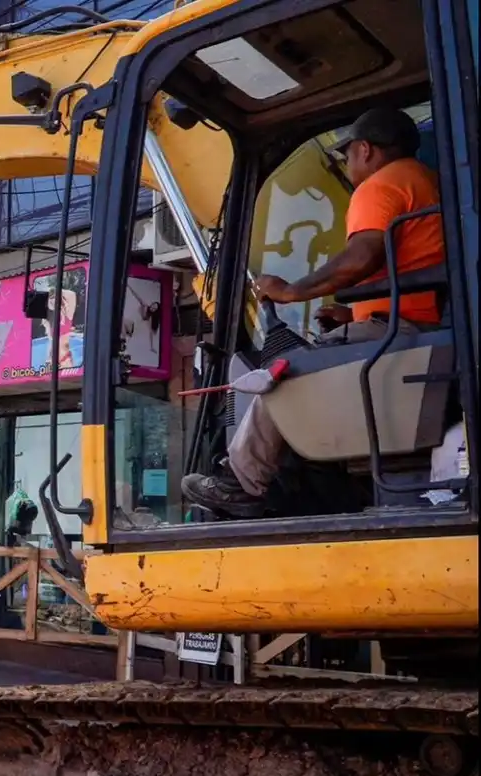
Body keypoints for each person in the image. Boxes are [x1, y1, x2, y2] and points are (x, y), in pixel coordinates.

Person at [183, 106, 446, 517]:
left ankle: (242, 483)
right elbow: (410, 270)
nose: (347, 164)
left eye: (346, 156)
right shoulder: (427, 182)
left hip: (398, 334)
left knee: (283, 375)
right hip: (414, 327)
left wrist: (290, 290)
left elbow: (363, 255)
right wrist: (353, 316)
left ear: (365, 149)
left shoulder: (380, 186)